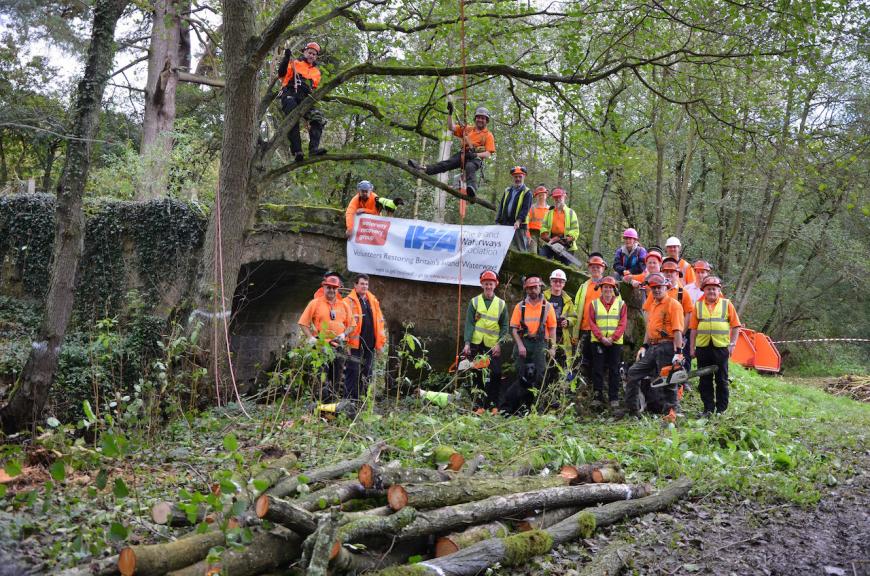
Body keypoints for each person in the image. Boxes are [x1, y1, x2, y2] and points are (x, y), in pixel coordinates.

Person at [623, 273, 685, 421]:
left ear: (666, 287)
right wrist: (644, 346)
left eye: (659, 287)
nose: (656, 290)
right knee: (633, 372)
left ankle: (671, 414)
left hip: (668, 346)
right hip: (653, 346)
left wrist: (678, 352)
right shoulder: (653, 305)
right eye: (654, 288)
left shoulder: (673, 305)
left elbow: (677, 330)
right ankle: (632, 410)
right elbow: (649, 329)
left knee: (668, 380)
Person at [407, 104, 495, 197]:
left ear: (486, 121)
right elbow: (451, 127)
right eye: (479, 117)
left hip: (475, 159)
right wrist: (450, 114)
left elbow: (488, 153)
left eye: (483, 118)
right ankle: (423, 169)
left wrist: (476, 155)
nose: (480, 120)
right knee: (447, 163)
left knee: (470, 166)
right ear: (475, 118)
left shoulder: (488, 135)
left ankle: (471, 189)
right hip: (464, 154)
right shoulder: (468, 129)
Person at [689, 276, 741, 416]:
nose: (711, 291)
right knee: (704, 380)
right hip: (703, 348)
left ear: (719, 290)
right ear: (703, 291)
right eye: (708, 288)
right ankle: (708, 409)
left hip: (721, 348)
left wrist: (733, 344)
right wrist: (691, 347)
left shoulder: (726, 304)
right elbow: (693, 329)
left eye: (714, 288)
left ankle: (721, 410)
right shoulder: (698, 306)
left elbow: (736, 326)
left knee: (721, 380)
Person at [298, 276, 355, 401]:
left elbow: (352, 325)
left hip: (338, 345)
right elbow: (303, 323)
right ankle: (318, 405)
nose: (331, 290)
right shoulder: (315, 303)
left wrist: (344, 334)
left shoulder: (344, 305)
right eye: (329, 287)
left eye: (334, 288)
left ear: (338, 289)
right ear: (323, 287)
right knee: (320, 376)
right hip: (320, 345)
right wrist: (310, 338)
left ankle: (332, 404)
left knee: (337, 377)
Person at [462, 270, 509, 413]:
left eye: (491, 284)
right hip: (476, 345)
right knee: (476, 374)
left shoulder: (501, 304)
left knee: (495, 374)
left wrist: (499, 344)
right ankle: (478, 406)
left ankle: (494, 405)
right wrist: (467, 343)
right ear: (482, 284)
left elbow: (505, 326)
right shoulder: (474, 302)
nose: (488, 286)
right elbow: (469, 323)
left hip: (492, 346)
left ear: (496, 285)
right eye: (486, 284)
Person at [509, 276, 557, 407]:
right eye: (529, 288)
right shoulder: (520, 306)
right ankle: (520, 405)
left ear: (540, 287)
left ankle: (538, 405)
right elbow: (513, 329)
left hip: (541, 344)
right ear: (526, 290)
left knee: (540, 374)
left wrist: (552, 348)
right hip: (524, 342)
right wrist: (520, 346)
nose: (532, 291)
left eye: (535, 287)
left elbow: (552, 329)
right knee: (520, 373)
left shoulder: (547, 307)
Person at [278, 41, 327, 162]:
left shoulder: (316, 72)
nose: (311, 56)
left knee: (317, 117)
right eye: (310, 53)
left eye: (314, 54)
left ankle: (313, 149)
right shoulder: (295, 63)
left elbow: (314, 89)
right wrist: (286, 58)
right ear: (304, 52)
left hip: (304, 98)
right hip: (290, 93)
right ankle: (297, 151)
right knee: (292, 117)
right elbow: (281, 73)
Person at [344, 274, 386, 401]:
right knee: (353, 371)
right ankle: (350, 399)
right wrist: (345, 343)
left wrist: (380, 345)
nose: (364, 286)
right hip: (354, 344)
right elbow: (343, 324)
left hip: (370, 344)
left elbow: (379, 323)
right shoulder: (347, 302)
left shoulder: (372, 301)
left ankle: (362, 399)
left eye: (366, 284)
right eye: (362, 284)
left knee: (367, 372)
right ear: (355, 285)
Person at [587, 276, 627, 409]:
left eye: (610, 287)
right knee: (597, 369)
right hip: (598, 342)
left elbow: (622, 324)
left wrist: (612, 338)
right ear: (601, 289)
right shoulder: (594, 304)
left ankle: (613, 397)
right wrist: (601, 338)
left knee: (614, 369)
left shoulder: (621, 304)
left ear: (614, 289)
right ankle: (598, 397)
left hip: (615, 343)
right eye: (605, 287)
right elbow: (591, 323)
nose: (608, 290)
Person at [573, 253, 607, 369]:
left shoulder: (609, 286)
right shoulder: (583, 286)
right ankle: (583, 386)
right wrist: (575, 332)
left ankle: (596, 386)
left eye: (598, 267)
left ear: (603, 268)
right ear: (589, 268)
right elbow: (576, 309)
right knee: (582, 361)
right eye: (593, 266)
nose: (595, 269)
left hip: (601, 331)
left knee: (599, 363)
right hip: (585, 329)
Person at [543, 269, 576, 378]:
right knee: (545, 365)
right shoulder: (543, 297)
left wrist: (568, 321)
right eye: (555, 281)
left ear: (564, 284)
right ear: (551, 282)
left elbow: (574, 317)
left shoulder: (568, 300)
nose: (558, 283)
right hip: (546, 337)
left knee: (561, 365)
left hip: (562, 337)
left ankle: (558, 391)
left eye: (560, 281)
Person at [495, 166, 532, 251]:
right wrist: (497, 221)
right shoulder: (507, 190)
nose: (518, 179)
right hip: (505, 223)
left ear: (524, 177)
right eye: (516, 177)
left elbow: (525, 210)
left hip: (519, 226)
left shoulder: (527, 192)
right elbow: (501, 206)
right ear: (513, 177)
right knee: (503, 247)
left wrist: (518, 221)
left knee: (521, 249)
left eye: (520, 176)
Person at [539, 188, 580, 265]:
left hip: (566, 244)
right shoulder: (549, 213)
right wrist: (548, 238)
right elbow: (543, 227)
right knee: (542, 256)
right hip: (552, 241)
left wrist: (565, 240)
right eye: (555, 197)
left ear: (564, 197)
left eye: (559, 197)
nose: (557, 199)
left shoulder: (571, 213)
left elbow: (575, 230)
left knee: (566, 266)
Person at [526, 185, 549, 253]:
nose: (541, 196)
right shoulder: (531, 208)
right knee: (532, 253)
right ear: (536, 196)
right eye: (539, 195)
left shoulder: (550, 210)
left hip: (545, 235)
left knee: (543, 256)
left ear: (546, 195)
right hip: (533, 234)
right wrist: (528, 236)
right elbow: (526, 223)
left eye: (543, 194)